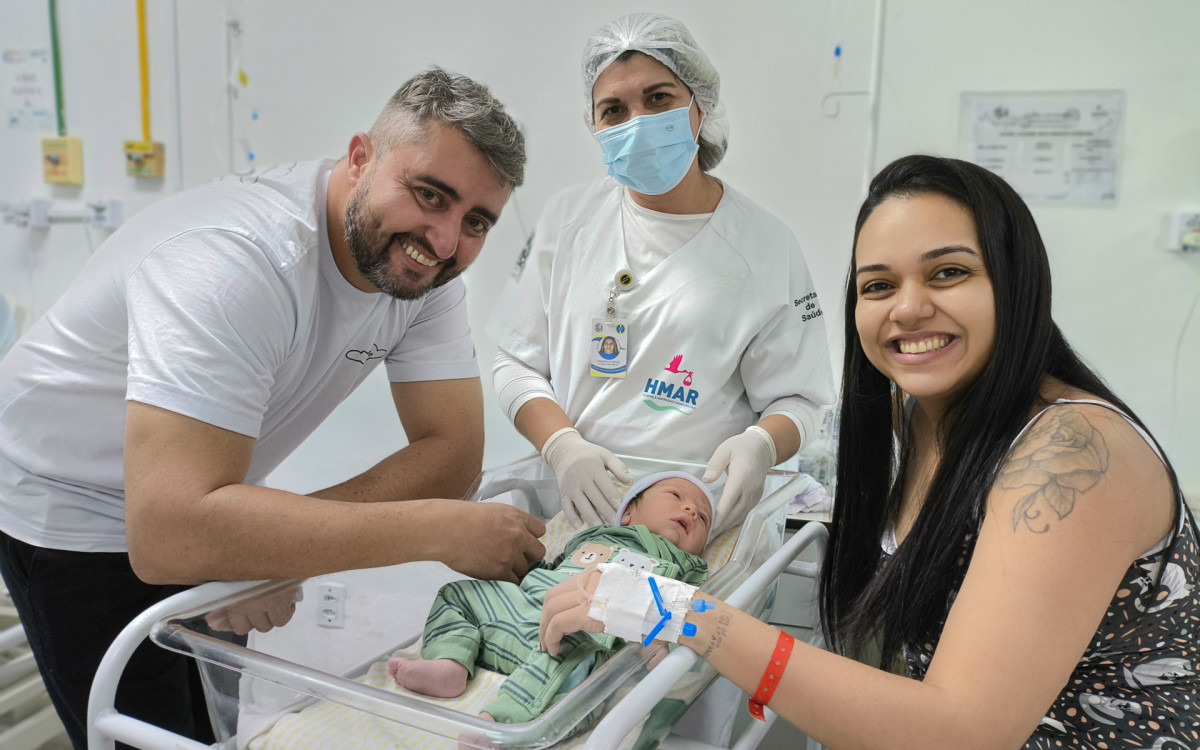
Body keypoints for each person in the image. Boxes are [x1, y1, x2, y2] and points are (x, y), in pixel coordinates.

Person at [540, 155, 1200, 749]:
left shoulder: (1070, 452)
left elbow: (962, 730)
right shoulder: (913, 414)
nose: (908, 309)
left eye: (949, 272)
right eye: (878, 286)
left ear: (1016, 282)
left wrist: (682, 612)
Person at [0, 68, 546, 749]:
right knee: (152, 729)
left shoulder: (424, 275)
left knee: (217, 721)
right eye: (429, 194)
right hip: (69, 499)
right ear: (360, 158)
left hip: (201, 490)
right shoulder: (235, 263)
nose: (443, 239)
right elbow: (169, 531)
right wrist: (437, 530)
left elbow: (453, 453)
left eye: (476, 222)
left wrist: (271, 555)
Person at [491, 12, 835, 538]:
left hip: (700, 522)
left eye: (659, 98)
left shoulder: (765, 245)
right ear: (595, 125)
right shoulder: (567, 222)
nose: (637, 122)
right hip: (580, 509)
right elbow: (515, 362)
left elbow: (800, 397)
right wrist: (564, 447)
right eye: (613, 109)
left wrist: (761, 444)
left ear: (700, 107)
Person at [388, 471, 712, 724]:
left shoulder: (686, 566)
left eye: (704, 518)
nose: (691, 510)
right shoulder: (591, 536)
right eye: (675, 495)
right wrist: (525, 567)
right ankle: (449, 662)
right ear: (627, 512)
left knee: (574, 653)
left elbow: (679, 612)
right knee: (459, 594)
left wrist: (654, 645)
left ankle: (501, 721)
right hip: (528, 607)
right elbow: (553, 568)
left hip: (579, 633)